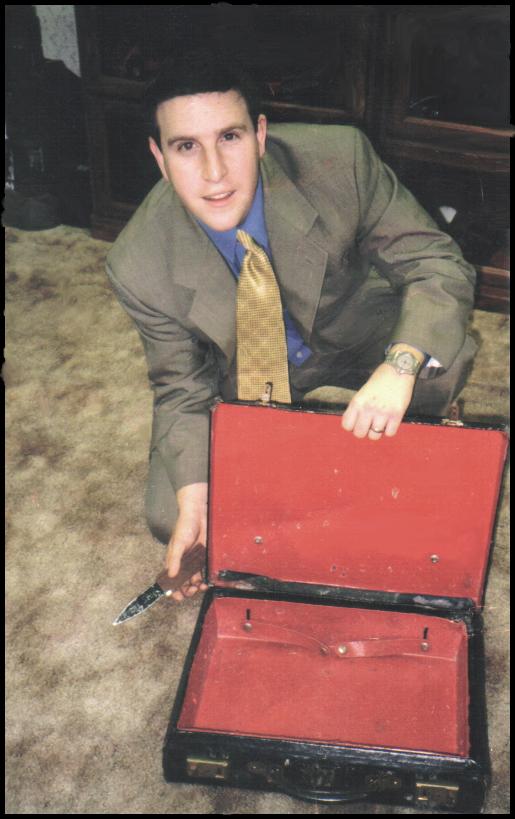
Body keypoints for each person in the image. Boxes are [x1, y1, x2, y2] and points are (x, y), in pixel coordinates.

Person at [105, 50, 477, 601]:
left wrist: (400, 365)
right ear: (160, 157)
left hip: (352, 330)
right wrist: (194, 495)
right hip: (245, 372)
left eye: (229, 138)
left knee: (438, 357)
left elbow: (436, 263)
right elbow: (180, 386)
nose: (214, 172)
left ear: (259, 135)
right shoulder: (137, 261)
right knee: (176, 515)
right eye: (186, 147)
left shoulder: (339, 160)